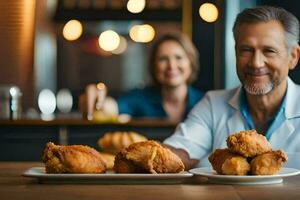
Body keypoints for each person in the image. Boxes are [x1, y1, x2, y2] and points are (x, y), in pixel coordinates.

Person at [164, 6, 300, 169]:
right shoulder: (213, 104)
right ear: (235, 52)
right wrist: (148, 157)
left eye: (269, 51)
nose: (256, 63)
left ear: (293, 57)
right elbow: (180, 152)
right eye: (246, 50)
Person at [79, 34, 204, 122]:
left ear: (191, 63)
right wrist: (94, 101)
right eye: (163, 59)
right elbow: (109, 108)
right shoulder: (140, 98)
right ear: (153, 66)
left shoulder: (205, 102)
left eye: (178, 57)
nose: (171, 65)